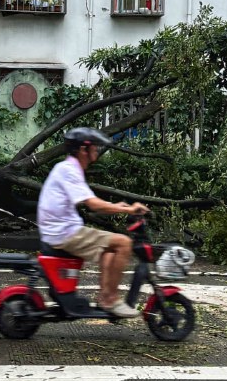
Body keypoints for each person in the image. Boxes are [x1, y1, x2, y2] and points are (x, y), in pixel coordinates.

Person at [37, 127, 149, 318]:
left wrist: (116, 205)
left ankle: (105, 297)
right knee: (124, 243)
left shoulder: (68, 168)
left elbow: (89, 199)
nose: (96, 151)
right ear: (83, 150)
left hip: (60, 230)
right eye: (94, 147)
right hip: (64, 233)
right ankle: (110, 299)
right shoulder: (69, 170)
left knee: (108, 249)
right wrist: (129, 209)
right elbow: (93, 204)